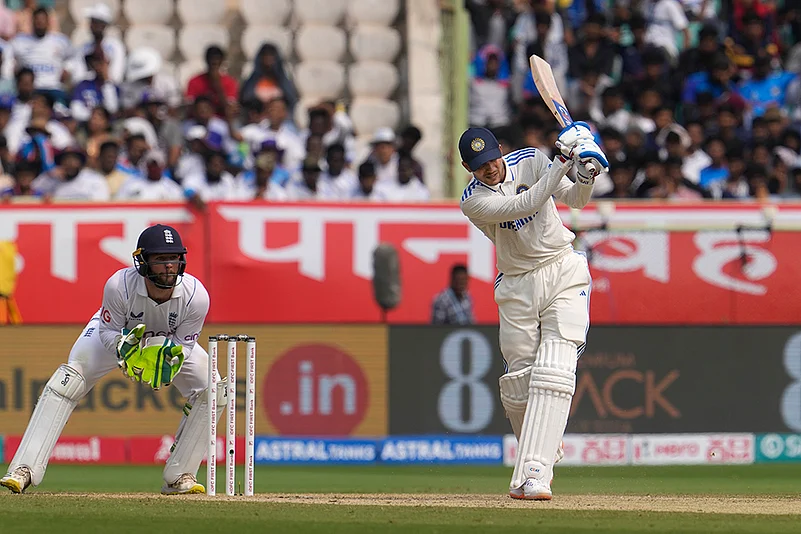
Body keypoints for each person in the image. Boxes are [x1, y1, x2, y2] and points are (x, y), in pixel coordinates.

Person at [1, 224, 220, 495]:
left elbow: (184, 345)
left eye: (173, 259)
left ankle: (179, 476)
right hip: (118, 336)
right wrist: (122, 348)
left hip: (164, 343)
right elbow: (107, 331)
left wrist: (165, 362)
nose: (168, 267)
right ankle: (23, 469)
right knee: (66, 382)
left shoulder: (196, 296)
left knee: (213, 388)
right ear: (143, 262)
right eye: (160, 259)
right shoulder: (120, 285)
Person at [458, 124, 608, 500]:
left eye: (491, 159)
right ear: (467, 167)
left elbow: (574, 200)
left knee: (556, 367)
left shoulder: (530, 160)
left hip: (561, 268)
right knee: (519, 383)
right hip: (516, 283)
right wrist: (563, 159)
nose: (489, 168)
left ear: (501, 150)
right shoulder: (473, 200)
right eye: (478, 165)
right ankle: (543, 445)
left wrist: (586, 175)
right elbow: (523, 205)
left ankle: (535, 473)